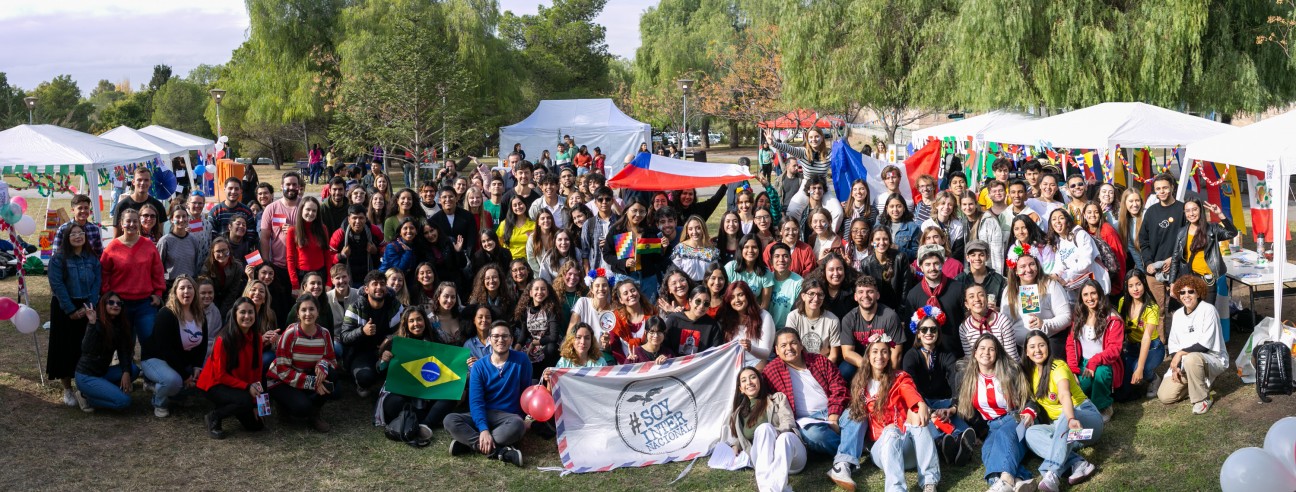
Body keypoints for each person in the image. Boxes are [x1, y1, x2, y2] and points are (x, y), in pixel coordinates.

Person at [829, 337, 940, 492]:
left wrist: (920, 404)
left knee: (918, 420)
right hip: (881, 450)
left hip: (908, 448)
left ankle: (929, 483)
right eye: (875, 352)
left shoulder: (900, 378)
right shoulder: (860, 385)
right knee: (890, 430)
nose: (879, 356)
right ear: (868, 355)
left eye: (884, 352)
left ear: (889, 355)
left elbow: (909, 392)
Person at [1021, 330, 1102, 490]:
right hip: (1065, 433)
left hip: (1083, 422)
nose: (1037, 350)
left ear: (1048, 347)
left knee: (1065, 416)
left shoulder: (1058, 366)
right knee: (1031, 433)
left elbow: (1064, 395)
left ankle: (1052, 473)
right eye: (1032, 347)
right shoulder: (1029, 373)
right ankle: (1078, 463)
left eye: (1041, 345)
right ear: (1026, 352)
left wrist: (1071, 418)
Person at [955, 335, 1036, 492]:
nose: (986, 352)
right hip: (992, 425)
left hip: (1015, 418)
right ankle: (1020, 480)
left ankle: (1004, 480)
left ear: (997, 353)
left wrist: (1030, 412)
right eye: (982, 348)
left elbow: (1028, 399)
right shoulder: (968, 377)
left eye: (991, 349)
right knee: (988, 451)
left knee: (1004, 436)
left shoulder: (1010, 372)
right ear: (975, 352)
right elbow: (963, 406)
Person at [444, 323, 530, 467]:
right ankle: (500, 452)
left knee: (518, 425)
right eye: (496, 336)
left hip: (508, 418)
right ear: (489, 340)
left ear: (511, 339)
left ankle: (468, 445)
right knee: (450, 420)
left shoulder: (522, 361)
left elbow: (525, 393)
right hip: (484, 413)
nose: (500, 340)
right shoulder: (479, 366)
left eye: (505, 336)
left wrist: (527, 419)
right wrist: (483, 429)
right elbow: (476, 402)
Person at [762, 329, 850, 458]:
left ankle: (848, 447)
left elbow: (839, 387)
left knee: (856, 415)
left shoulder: (819, 360)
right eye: (783, 345)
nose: (789, 348)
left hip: (833, 410)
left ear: (801, 344)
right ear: (776, 350)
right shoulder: (771, 372)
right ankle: (850, 449)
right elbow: (757, 393)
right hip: (807, 421)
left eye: (793, 343)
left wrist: (833, 416)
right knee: (814, 435)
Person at [903, 314, 973, 466]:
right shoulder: (910, 355)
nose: (929, 333)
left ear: (938, 333)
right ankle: (944, 443)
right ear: (918, 333)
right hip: (922, 403)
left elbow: (955, 378)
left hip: (944, 401)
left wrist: (953, 407)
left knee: (953, 418)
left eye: (933, 329)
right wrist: (926, 408)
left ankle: (959, 443)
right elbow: (909, 385)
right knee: (927, 421)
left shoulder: (946, 354)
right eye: (924, 329)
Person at [721, 366, 805, 492]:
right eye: (743, 380)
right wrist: (736, 444)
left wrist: (774, 434)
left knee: (779, 434)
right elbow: (740, 436)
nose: (749, 382)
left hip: (790, 456)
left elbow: (789, 423)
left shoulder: (777, 398)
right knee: (764, 429)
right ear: (741, 389)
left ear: (760, 381)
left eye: (753, 377)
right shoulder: (737, 414)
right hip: (762, 458)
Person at [48, 222, 102, 406]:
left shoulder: (92, 258)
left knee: (84, 348)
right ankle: (67, 389)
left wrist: (90, 305)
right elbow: (57, 286)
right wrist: (71, 310)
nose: (78, 236)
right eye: (73, 234)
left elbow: (97, 284)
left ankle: (83, 387)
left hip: (87, 306)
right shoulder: (58, 259)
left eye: (81, 233)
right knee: (64, 348)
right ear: (67, 238)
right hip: (65, 308)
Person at [1157, 275, 1228, 414]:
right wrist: (1176, 366)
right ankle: (1198, 383)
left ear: (1198, 293)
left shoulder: (1208, 310)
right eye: (1182, 292)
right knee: (1165, 396)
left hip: (1212, 359)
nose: (1186, 295)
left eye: (1191, 291)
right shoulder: (1177, 315)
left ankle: (1202, 399)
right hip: (1186, 363)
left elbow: (1204, 346)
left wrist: (1180, 353)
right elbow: (1173, 345)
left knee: (1192, 358)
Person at [140, 275, 208, 418]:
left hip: (180, 360)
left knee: (206, 373)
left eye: (190, 288)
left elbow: (202, 343)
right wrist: (185, 376)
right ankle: (159, 401)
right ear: (175, 292)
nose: (186, 291)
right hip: (156, 358)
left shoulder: (199, 313)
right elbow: (166, 350)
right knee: (173, 381)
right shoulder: (166, 314)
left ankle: (177, 396)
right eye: (182, 288)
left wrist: (197, 366)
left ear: (195, 291)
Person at [267, 294, 336, 432]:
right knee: (301, 409)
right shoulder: (290, 334)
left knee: (332, 376)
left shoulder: (324, 334)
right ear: (298, 313)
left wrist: (322, 363)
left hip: (304, 375)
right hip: (280, 380)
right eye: (303, 310)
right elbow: (283, 371)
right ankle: (284, 406)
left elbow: (332, 360)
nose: (308, 313)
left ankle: (315, 415)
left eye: (312, 309)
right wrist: (313, 382)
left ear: (318, 311)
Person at [198, 297, 265, 439]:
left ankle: (233, 404)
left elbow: (257, 370)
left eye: (250, 312)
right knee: (244, 400)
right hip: (214, 384)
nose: (247, 316)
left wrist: (256, 405)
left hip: (237, 383)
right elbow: (220, 375)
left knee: (256, 426)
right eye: (242, 312)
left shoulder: (257, 338)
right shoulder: (224, 339)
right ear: (235, 315)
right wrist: (247, 388)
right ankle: (214, 416)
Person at [100, 208, 165, 343]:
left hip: (145, 304)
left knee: (149, 342)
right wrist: (107, 296)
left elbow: (157, 271)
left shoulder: (148, 245)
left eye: (135, 221)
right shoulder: (112, 247)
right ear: (121, 224)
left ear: (139, 223)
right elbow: (104, 273)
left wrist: (158, 293)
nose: (131, 224)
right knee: (125, 344)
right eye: (128, 221)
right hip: (120, 304)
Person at [339, 271, 405, 397]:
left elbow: (403, 331)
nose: (379, 287)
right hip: (362, 352)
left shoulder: (395, 305)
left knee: (404, 373)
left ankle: (383, 373)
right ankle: (365, 380)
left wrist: (389, 340)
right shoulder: (355, 307)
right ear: (366, 289)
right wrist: (362, 331)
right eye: (374, 284)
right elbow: (344, 337)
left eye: (382, 284)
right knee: (365, 378)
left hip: (389, 352)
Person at [73, 294, 138, 412]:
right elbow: (86, 349)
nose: (115, 305)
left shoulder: (120, 326)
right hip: (86, 376)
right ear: (104, 304)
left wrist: (126, 372)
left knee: (133, 370)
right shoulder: (96, 322)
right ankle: (86, 397)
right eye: (111, 302)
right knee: (124, 401)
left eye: (119, 303)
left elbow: (123, 352)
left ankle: (104, 390)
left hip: (103, 373)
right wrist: (91, 324)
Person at [1001, 246, 1071, 355]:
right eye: (1023, 266)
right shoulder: (1008, 291)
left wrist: (1044, 323)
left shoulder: (1051, 285)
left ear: (1037, 266)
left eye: (1031, 264)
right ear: (1015, 271)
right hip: (1019, 349)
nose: (1028, 269)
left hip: (1048, 343)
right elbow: (1005, 323)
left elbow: (1066, 317)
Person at [1168, 199, 1237, 304]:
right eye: (1187, 211)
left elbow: (1232, 233)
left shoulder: (1212, 229)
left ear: (1200, 210)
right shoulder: (1182, 232)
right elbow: (1175, 259)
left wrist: (1220, 214)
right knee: (1191, 312)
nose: (1191, 214)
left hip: (1208, 279)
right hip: (1189, 278)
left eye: (1194, 209)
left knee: (1207, 312)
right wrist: (1172, 282)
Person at [905, 244, 966, 357]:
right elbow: (911, 333)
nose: (932, 268)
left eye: (936, 264)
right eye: (927, 264)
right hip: (926, 357)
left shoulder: (958, 289)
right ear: (921, 267)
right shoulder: (913, 294)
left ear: (942, 264)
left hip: (955, 353)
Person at [840, 276, 905, 380]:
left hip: (883, 360)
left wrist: (888, 377)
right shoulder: (849, 319)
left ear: (877, 295)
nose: (865, 295)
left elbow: (896, 353)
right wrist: (868, 367)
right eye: (861, 292)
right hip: (861, 361)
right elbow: (847, 353)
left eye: (870, 291)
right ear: (855, 297)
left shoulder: (890, 316)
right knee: (845, 370)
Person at [1139, 173, 1185, 314]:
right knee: (1158, 312)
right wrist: (1148, 263)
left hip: (1178, 270)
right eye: (1158, 189)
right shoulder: (1151, 212)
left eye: (1165, 188)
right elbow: (1143, 240)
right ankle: (1161, 337)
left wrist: (1174, 259)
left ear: (1172, 187)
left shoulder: (1182, 210)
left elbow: (1189, 240)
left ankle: (1179, 336)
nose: (1162, 192)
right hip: (1155, 272)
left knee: (1180, 310)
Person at [1118, 271, 1166, 399]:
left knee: (1140, 369)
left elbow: (1146, 338)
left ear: (1144, 283)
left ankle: (1153, 378)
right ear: (1126, 287)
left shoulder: (1152, 307)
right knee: (1123, 392)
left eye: (1138, 284)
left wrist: (1140, 367)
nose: (1135, 289)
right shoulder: (1123, 302)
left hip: (1153, 348)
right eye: (1131, 285)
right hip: (1132, 348)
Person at [259, 172, 303, 300]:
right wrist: (266, 262)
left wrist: (294, 231)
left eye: (294, 184)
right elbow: (265, 238)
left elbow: (313, 234)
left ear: (299, 187)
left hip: (301, 266)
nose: (291, 187)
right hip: (278, 266)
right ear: (281, 186)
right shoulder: (271, 209)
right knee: (280, 304)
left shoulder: (305, 207)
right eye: (288, 184)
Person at [1044, 209, 1110, 295]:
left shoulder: (1080, 234)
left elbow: (1086, 262)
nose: (1057, 221)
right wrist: (1053, 276)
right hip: (1076, 289)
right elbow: (1059, 265)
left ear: (1067, 220)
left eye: (1061, 218)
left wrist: (1066, 277)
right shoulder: (1059, 242)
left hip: (1095, 284)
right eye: (1054, 219)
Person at [715, 282, 773, 367]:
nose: (737, 300)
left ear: (748, 296)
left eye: (740, 295)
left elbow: (766, 354)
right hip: (733, 365)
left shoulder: (764, 316)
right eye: (732, 297)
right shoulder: (726, 318)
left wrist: (750, 348)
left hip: (758, 363)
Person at [285, 196, 334, 292]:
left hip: (321, 274)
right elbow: (290, 259)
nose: (311, 213)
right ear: (301, 210)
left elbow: (327, 256)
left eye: (314, 211)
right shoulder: (292, 231)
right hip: (302, 276)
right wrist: (295, 284)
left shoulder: (323, 229)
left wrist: (329, 282)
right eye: (308, 209)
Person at [785, 279, 841, 363]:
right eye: (811, 294)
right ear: (803, 296)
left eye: (820, 294)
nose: (816, 299)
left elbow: (833, 355)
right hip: (799, 363)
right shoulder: (793, 317)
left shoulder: (833, 320)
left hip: (824, 364)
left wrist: (824, 369)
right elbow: (790, 347)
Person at [330, 204, 384, 289]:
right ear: (349, 219)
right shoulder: (339, 235)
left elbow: (385, 249)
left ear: (366, 219)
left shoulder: (374, 231)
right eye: (354, 218)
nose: (358, 221)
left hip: (369, 274)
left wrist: (376, 251)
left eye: (361, 218)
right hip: (347, 278)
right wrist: (341, 255)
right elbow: (329, 257)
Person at [961, 284, 1019, 361]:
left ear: (986, 299)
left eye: (981, 295)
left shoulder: (1002, 321)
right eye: (971, 296)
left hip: (1004, 368)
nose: (977, 299)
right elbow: (970, 360)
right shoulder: (964, 328)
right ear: (967, 304)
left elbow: (1012, 358)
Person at [515, 279, 561, 375]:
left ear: (547, 292)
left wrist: (535, 343)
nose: (539, 292)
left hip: (548, 345)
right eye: (536, 289)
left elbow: (553, 337)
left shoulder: (550, 310)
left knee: (551, 348)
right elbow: (524, 334)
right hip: (534, 346)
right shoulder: (525, 311)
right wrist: (516, 348)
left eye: (543, 289)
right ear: (531, 293)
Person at [112, 167, 167, 234]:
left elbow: (159, 234)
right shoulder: (122, 206)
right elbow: (116, 237)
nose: (142, 183)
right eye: (139, 180)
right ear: (133, 182)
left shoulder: (158, 206)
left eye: (146, 180)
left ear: (150, 183)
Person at [725, 233, 774, 308]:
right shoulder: (730, 267)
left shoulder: (766, 272)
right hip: (732, 311)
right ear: (741, 249)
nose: (750, 250)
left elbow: (765, 304)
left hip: (754, 313)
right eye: (746, 247)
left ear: (759, 250)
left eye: (754, 247)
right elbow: (726, 297)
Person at [50, 194, 104, 259]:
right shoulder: (64, 229)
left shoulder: (94, 229)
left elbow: (99, 254)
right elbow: (55, 255)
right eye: (80, 208)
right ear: (73, 210)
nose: (83, 211)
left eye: (86, 208)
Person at [964, 192, 1005, 275]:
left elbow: (997, 251)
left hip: (988, 271)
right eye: (964, 204)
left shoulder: (989, 221)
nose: (967, 207)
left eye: (971, 204)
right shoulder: (962, 222)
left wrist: (997, 276)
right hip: (970, 271)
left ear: (976, 204)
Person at [957, 240, 1006, 308]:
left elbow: (1006, 307)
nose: (977, 258)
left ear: (987, 257)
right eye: (973, 255)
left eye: (981, 255)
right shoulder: (959, 280)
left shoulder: (999, 280)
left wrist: (996, 309)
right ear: (967, 258)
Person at [767, 242, 804, 328]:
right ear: (771, 261)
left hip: (789, 330)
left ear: (791, 260)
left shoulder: (799, 282)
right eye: (777, 256)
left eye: (785, 256)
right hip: (767, 329)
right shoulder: (766, 279)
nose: (781, 260)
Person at [879, 194, 921, 259]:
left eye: (899, 206)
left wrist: (898, 248)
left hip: (902, 265)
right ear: (887, 208)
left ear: (904, 208)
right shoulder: (880, 224)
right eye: (892, 206)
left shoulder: (912, 228)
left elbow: (916, 254)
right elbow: (873, 244)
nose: (895, 209)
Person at [1116, 189, 1146, 274]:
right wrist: (1141, 271)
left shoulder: (1146, 215)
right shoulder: (1124, 221)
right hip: (1142, 265)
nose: (1135, 204)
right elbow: (1132, 249)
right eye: (1131, 201)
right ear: (1125, 203)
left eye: (1137, 200)